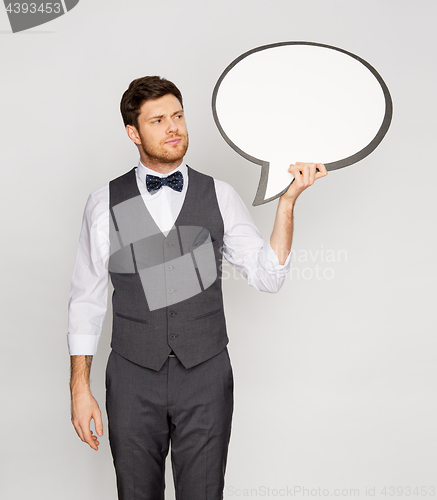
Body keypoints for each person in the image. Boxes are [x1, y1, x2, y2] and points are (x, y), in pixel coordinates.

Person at [68, 75, 327, 500]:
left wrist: (287, 203)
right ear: (133, 133)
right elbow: (86, 300)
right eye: (157, 121)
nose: (173, 127)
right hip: (132, 377)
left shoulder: (219, 196)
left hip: (205, 376)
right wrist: (80, 388)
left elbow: (268, 276)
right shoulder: (104, 203)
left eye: (178, 116)